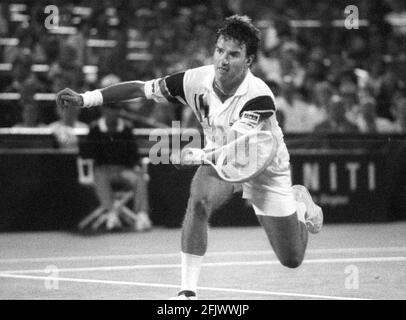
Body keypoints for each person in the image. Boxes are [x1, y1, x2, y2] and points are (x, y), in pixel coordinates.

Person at [56, 15, 323, 300]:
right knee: (199, 201)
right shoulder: (194, 81)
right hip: (221, 161)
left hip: (264, 164)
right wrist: (87, 99)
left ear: (249, 60)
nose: (223, 60)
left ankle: (300, 207)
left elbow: (235, 142)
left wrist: (196, 154)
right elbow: (139, 89)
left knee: (291, 259)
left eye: (233, 54)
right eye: (220, 50)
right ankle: (187, 292)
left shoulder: (259, 97)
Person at [82, 103, 152, 231]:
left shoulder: (127, 128)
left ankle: (142, 215)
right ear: (103, 110)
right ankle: (111, 214)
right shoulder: (94, 129)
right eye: (110, 109)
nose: (112, 113)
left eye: (115, 109)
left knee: (139, 177)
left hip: (124, 170)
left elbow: (134, 153)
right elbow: (87, 153)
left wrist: (135, 166)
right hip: (103, 170)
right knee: (99, 175)